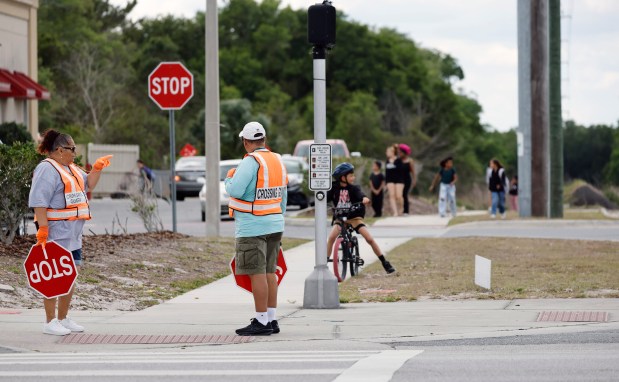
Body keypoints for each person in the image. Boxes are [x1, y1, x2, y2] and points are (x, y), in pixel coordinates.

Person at [28, 129, 112, 336]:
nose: (75, 153)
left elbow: (89, 183)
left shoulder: (71, 169)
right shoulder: (47, 169)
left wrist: (98, 168)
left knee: (71, 275)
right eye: (72, 149)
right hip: (56, 233)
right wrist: (43, 231)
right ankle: (50, 321)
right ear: (59, 150)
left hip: (73, 234)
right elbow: (39, 201)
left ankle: (63, 318)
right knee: (54, 277)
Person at [225, 121, 288, 336]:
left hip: (252, 227)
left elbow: (236, 190)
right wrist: (277, 216)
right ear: (264, 140)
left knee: (256, 273)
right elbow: (283, 196)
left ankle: (261, 322)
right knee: (270, 271)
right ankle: (271, 318)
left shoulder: (251, 162)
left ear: (246, 142)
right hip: (275, 223)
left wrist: (228, 179)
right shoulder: (277, 160)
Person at [326, 162, 395, 274]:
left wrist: (364, 199)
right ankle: (325, 263)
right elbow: (325, 198)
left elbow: (360, 194)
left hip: (354, 218)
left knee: (369, 239)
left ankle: (384, 262)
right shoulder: (333, 188)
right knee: (331, 237)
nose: (354, 177)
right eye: (351, 175)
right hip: (340, 218)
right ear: (343, 177)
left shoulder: (354, 188)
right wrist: (317, 201)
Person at [384, 144, 405, 216]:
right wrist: (386, 183)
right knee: (392, 196)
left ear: (392, 152)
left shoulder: (398, 160)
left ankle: (401, 208)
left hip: (399, 180)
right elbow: (386, 172)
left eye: (387, 152)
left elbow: (401, 170)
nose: (386, 153)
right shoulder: (387, 161)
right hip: (390, 180)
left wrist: (394, 163)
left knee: (399, 196)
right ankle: (395, 212)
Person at [398, 143, 416, 215]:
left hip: (407, 180)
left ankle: (406, 211)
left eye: (400, 152)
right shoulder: (398, 160)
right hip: (399, 180)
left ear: (404, 153)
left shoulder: (410, 161)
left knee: (404, 194)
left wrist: (414, 181)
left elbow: (413, 172)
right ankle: (400, 209)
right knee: (399, 195)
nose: (399, 153)